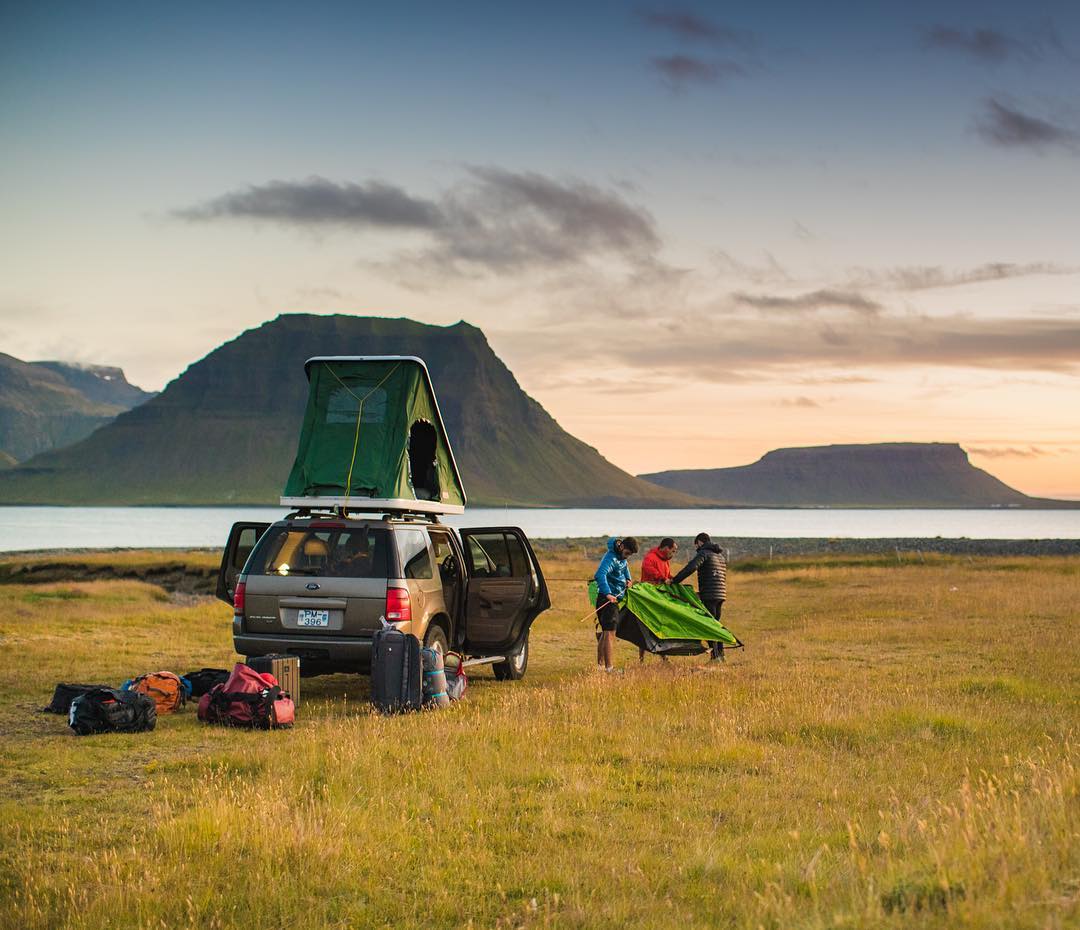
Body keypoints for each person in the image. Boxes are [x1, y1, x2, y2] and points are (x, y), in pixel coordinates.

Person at [670, 532, 728, 661]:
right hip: (720, 594)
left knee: (708, 625)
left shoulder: (704, 553)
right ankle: (721, 655)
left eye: (696, 545)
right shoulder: (720, 556)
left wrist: (674, 581)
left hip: (709, 595)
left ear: (700, 542)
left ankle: (716, 657)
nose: (696, 548)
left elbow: (691, 568)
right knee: (716, 624)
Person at [593, 536, 639, 672]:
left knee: (606, 632)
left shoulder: (622, 559)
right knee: (610, 633)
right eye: (626, 554)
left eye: (630, 555)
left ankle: (600, 666)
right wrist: (608, 593)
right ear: (622, 547)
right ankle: (609, 669)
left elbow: (625, 568)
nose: (627, 557)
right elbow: (599, 574)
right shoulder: (610, 558)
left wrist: (628, 580)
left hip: (613, 599)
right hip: (607, 600)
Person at [638, 538, 678, 662]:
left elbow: (667, 575)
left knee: (661, 626)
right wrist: (662, 578)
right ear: (666, 548)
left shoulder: (666, 561)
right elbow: (648, 569)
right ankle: (641, 659)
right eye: (673, 550)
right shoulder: (650, 557)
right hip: (648, 598)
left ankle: (664, 656)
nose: (674, 553)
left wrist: (673, 579)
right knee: (644, 627)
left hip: (661, 598)